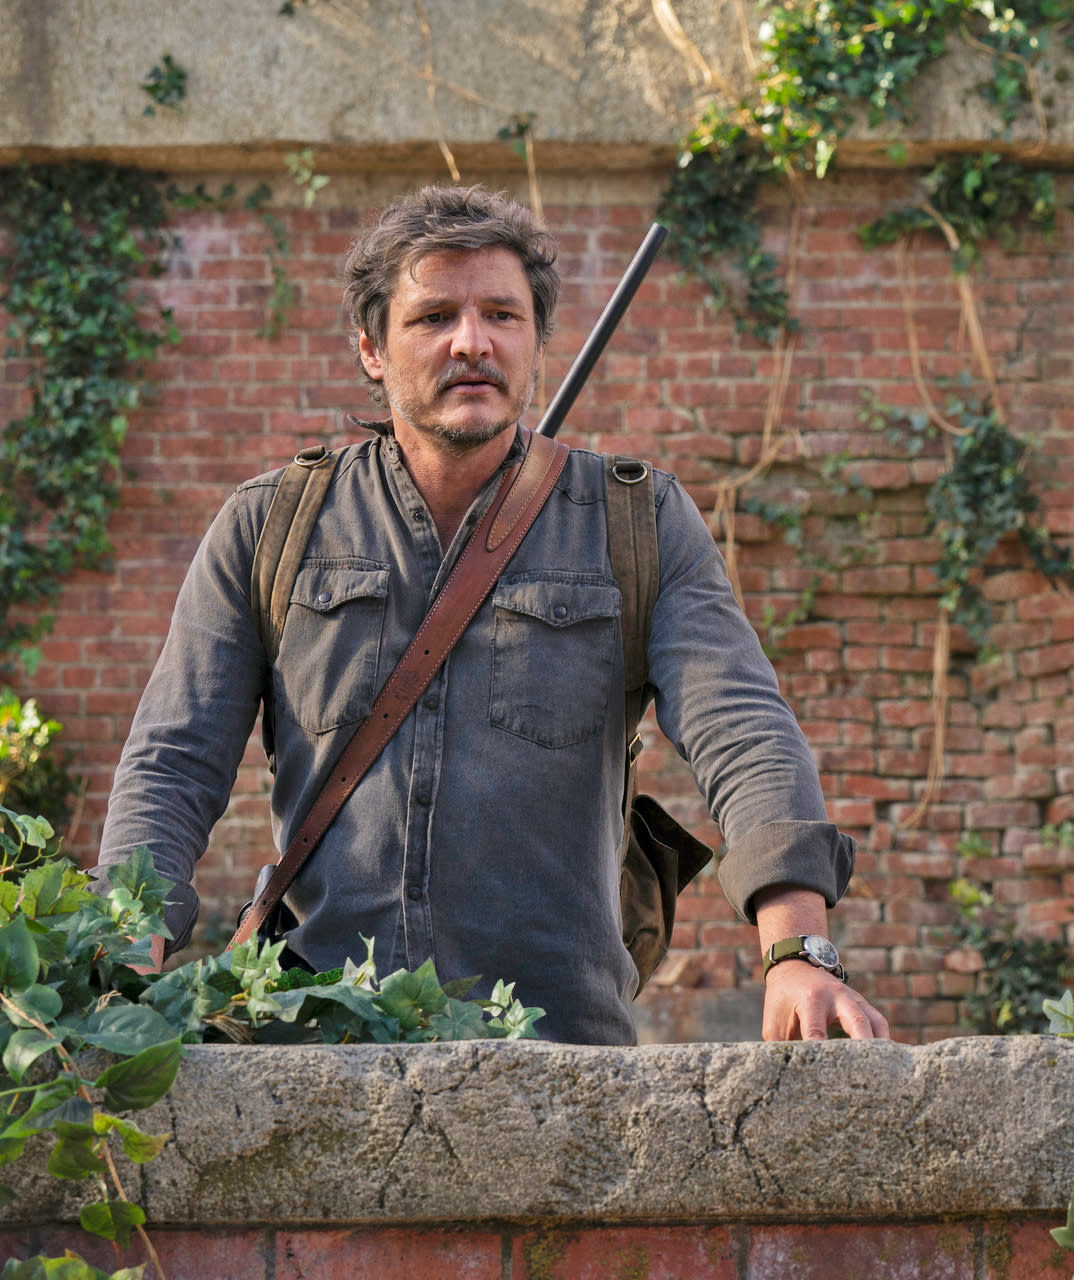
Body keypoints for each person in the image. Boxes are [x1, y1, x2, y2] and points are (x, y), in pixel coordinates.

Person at [96, 186, 888, 1044]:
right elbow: (173, 762)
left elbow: (744, 726)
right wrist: (120, 957)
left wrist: (797, 948)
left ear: (536, 341)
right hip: (313, 1040)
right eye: (434, 316)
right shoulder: (270, 525)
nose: (472, 340)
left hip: (557, 1050)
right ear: (371, 347)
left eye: (502, 314)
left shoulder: (638, 522)